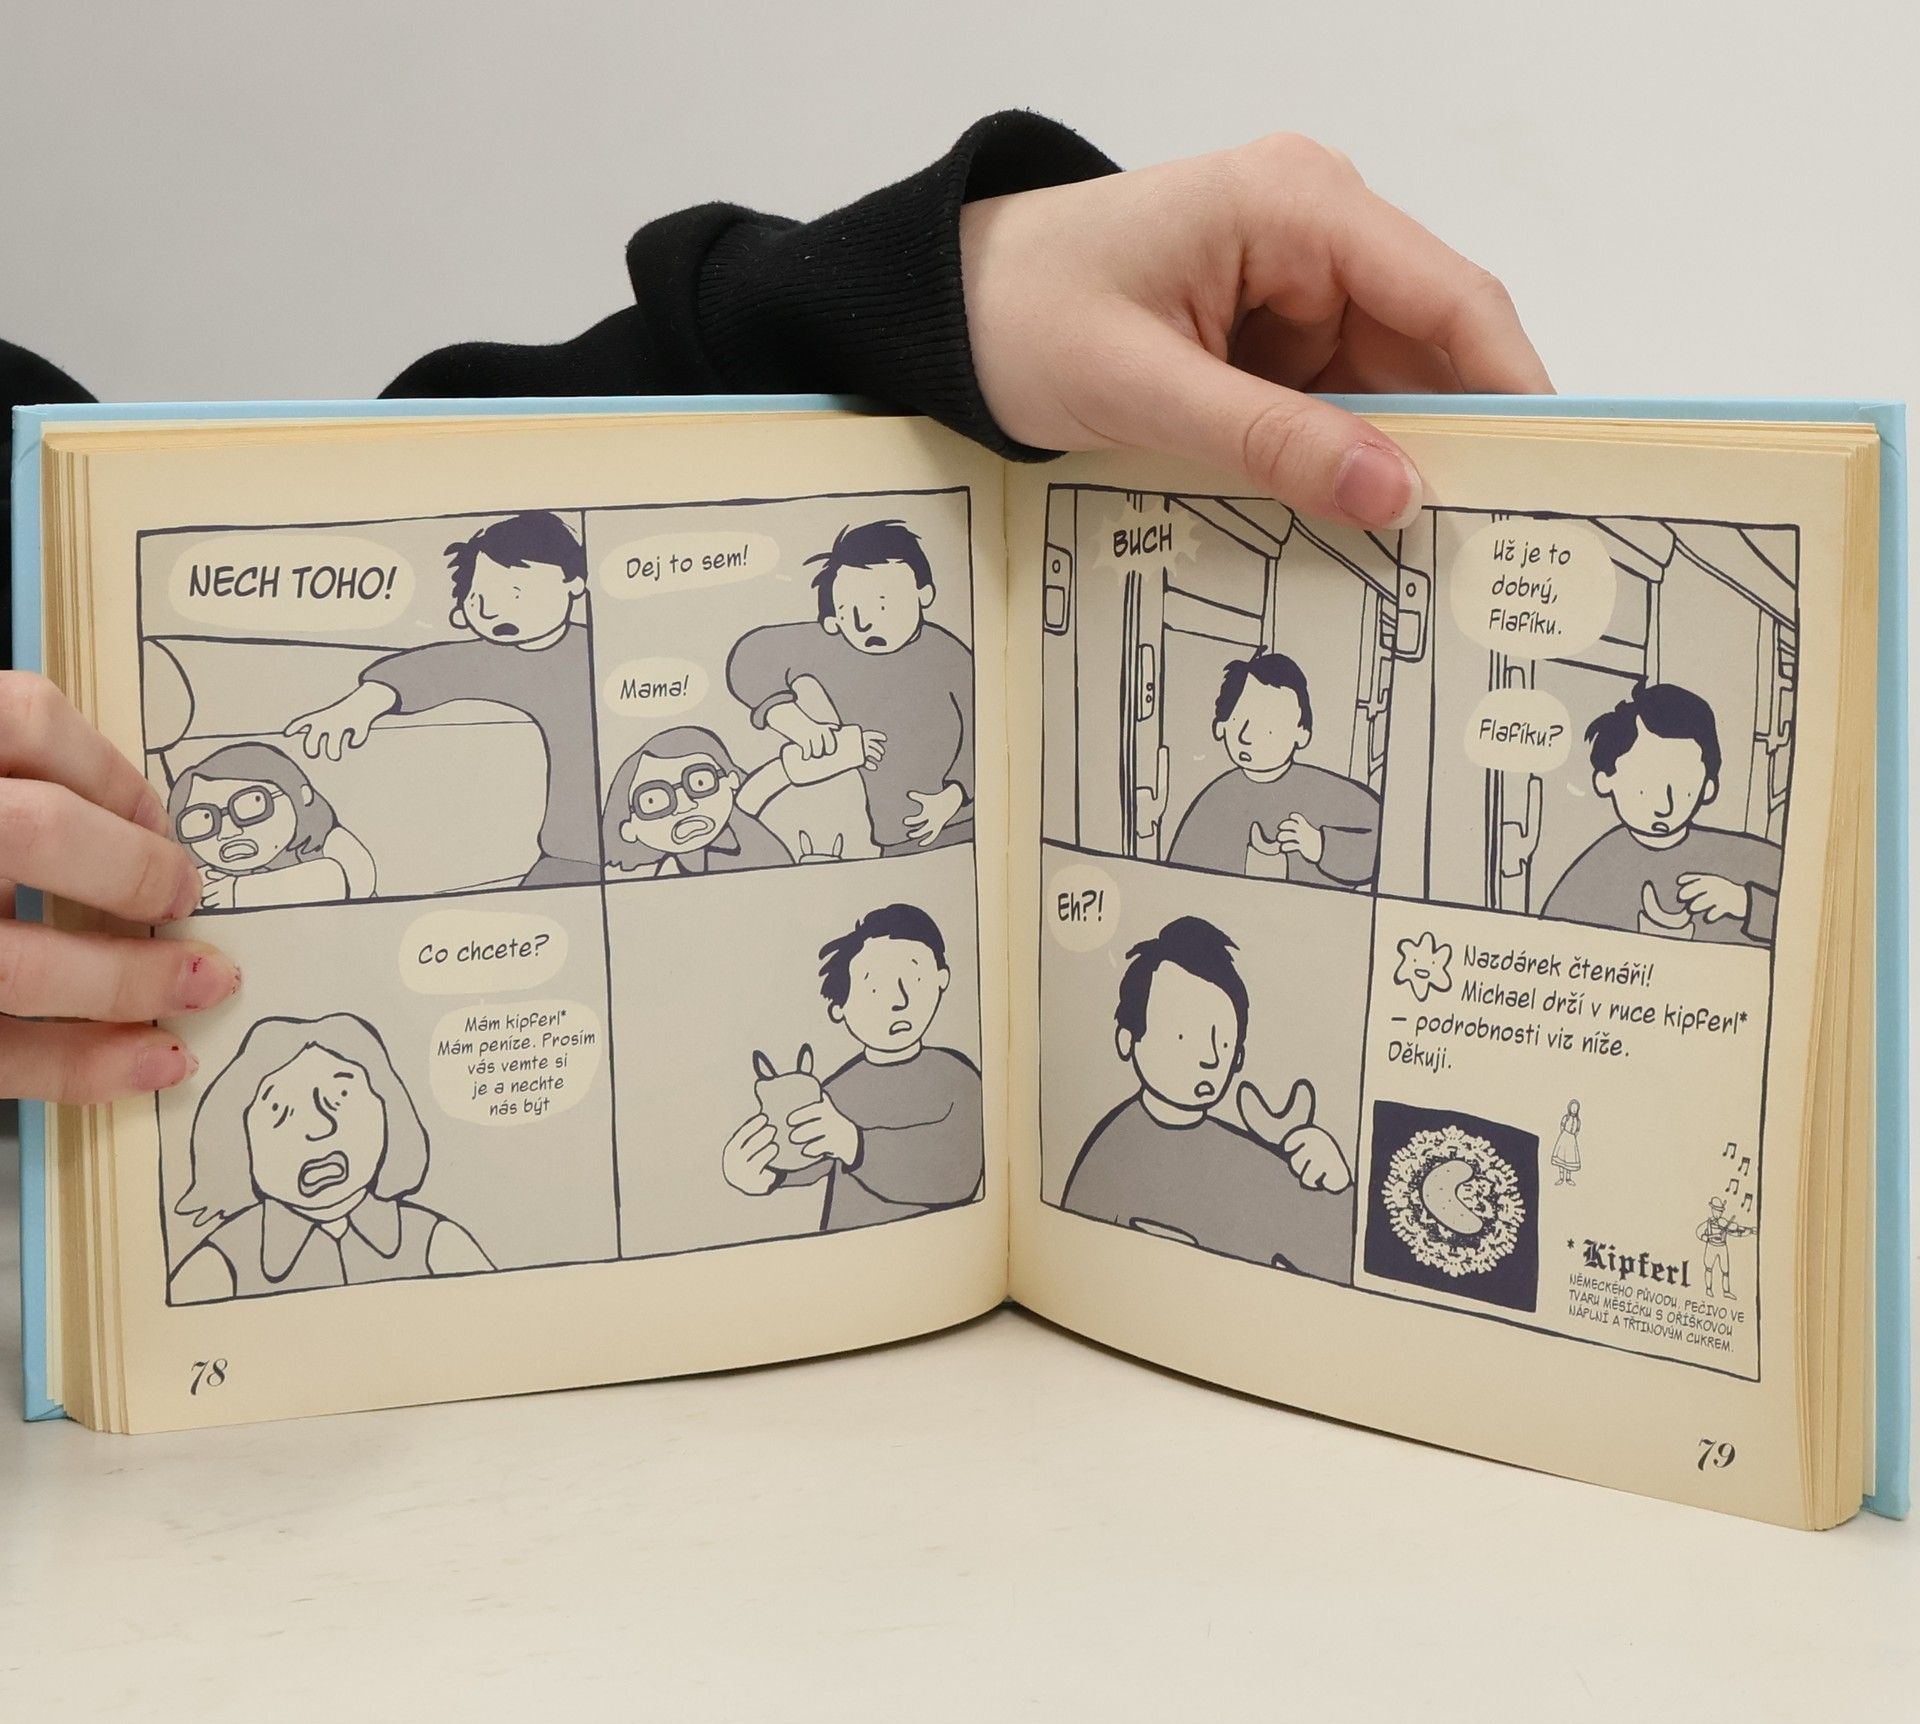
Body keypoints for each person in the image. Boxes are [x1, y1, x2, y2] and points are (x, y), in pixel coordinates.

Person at [0, 117, 1551, 1101]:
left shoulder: (966, 673)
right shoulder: (775, 670)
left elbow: (436, 492)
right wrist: (779, 722)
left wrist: (931, 293)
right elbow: (722, 653)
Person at [283, 511, 598, 889]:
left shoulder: (603, 649)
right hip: (571, 855)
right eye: (478, 598)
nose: (492, 610)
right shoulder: (499, 658)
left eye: (516, 592)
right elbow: (431, 669)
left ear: (573, 583)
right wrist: (360, 706)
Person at [1059, 915, 1355, 1281]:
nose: (1211, 1057)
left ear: (1238, 1057)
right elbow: (1078, 1252)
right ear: (1128, 1039)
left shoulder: (1249, 1161)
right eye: (1184, 1035)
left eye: (1224, 1041)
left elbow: (1337, 1257)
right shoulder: (1113, 1150)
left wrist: (1337, 1188)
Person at [167, 1012, 492, 1302]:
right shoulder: (223, 1263)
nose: (319, 1128)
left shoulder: (434, 1241)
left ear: (387, 1110)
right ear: (239, 1140)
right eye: (281, 1110)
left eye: (340, 1097)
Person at [720, 903, 984, 1230]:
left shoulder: (959, 1079)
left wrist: (856, 1146)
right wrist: (763, 1172)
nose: (898, 1001)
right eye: (874, 988)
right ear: (839, 1008)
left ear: (941, 979)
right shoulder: (838, 1091)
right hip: (851, 1252)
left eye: (914, 977)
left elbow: (957, 1177)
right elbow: (809, 1159)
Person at [727, 521, 974, 856]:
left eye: (883, 601)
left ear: (923, 594)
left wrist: (954, 797)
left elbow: (981, 730)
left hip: (962, 824)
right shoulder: (833, 645)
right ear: (832, 621)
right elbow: (750, 657)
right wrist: (794, 722)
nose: (866, 621)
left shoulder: (947, 655)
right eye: (849, 609)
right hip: (894, 839)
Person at [1541, 682, 1782, 946]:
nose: (1664, 806)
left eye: (1682, 783)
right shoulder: (1594, 872)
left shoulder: (1746, 856)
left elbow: (1806, 917)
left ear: (1708, 787)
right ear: (1605, 780)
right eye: (1645, 783)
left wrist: (1745, 904)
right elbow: (1550, 943)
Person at [1165, 651, 1381, 886]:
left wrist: (1321, 846)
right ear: (1221, 726)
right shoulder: (1216, 799)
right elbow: (1179, 875)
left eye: (1267, 725)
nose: (1246, 736)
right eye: (1238, 719)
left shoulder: (1326, 791)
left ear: (1302, 733)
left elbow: (1385, 842)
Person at [168, 741, 377, 909]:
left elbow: (351, 880)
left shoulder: (328, 840)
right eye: (203, 819)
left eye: (252, 803)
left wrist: (240, 892)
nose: (228, 831)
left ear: (302, 795)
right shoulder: (207, 873)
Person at [600, 726, 796, 878]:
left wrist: (796, 763)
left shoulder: (740, 814)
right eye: (653, 801)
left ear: (731, 780)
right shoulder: (671, 870)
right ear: (629, 829)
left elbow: (773, 777)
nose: (685, 806)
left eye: (700, 782)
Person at [1695, 1194, 1753, 1299]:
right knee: (1708, 1268)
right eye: (1717, 1210)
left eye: (1720, 1211)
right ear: (1712, 1210)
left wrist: (1748, 1231)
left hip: (1722, 1247)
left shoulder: (1724, 1223)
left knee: (1725, 1270)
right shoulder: (1708, 1223)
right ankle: (1708, 1289)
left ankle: (1726, 1291)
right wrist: (1710, 1237)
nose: (1718, 1213)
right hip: (1711, 1246)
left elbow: (1734, 1231)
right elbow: (1699, 1233)